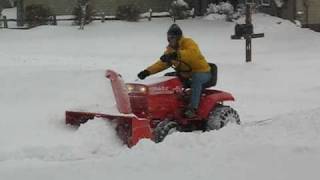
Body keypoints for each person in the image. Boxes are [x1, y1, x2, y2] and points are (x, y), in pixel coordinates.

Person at [137, 24, 212, 118]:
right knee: (168, 78)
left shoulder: (188, 43)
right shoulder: (170, 49)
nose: (170, 39)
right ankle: (169, 106)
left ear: (178, 37)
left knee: (196, 79)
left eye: (173, 37)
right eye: (169, 37)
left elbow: (192, 54)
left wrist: (176, 55)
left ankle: (193, 109)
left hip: (203, 72)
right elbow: (162, 63)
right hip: (185, 73)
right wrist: (147, 71)